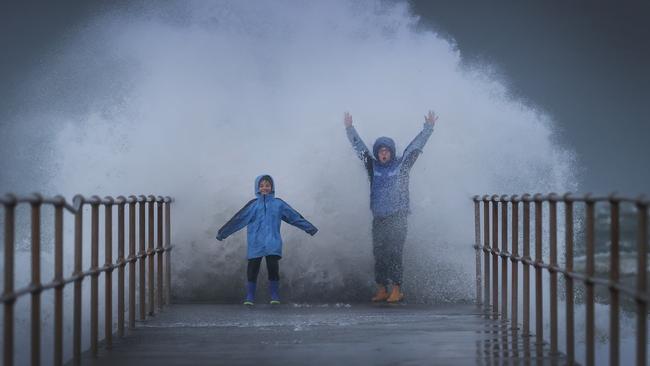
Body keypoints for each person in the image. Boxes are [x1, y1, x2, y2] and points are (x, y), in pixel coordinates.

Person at [344, 111, 437, 303]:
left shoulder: (401, 165)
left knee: (394, 252)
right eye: (380, 151)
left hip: (398, 217)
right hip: (379, 218)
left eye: (386, 150)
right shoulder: (372, 167)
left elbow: (415, 147)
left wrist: (428, 128)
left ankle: (397, 289)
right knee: (379, 254)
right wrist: (349, 128)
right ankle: (381, 289)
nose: (383, 153)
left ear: (391, 152)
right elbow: (359, 147)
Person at [216, 174, 318, 305]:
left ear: (272, 187)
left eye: (267, 185)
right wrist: (223, 233)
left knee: (273, 268)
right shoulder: (253, 205)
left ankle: (274, 295)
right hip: (255, 243)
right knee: (253, 269)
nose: (265, 188)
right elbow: (238, 220)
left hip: (272, 242)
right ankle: (250, 296)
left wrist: (310, 228)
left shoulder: (278, 204)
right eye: (262, 185)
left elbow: (294, 217)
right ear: (257, 187)